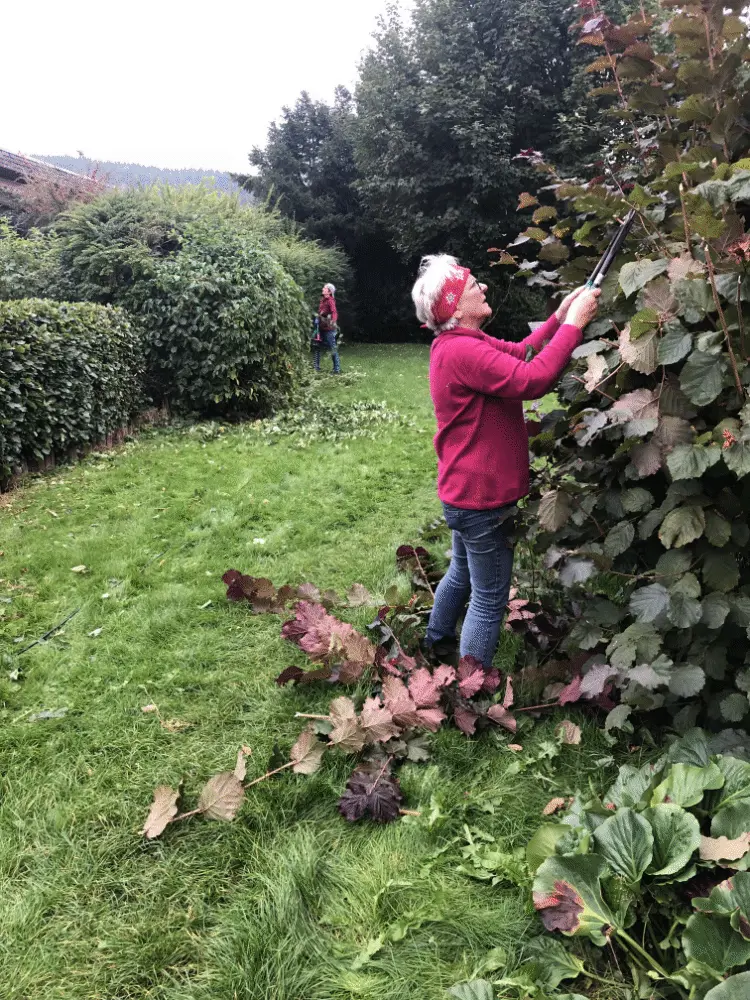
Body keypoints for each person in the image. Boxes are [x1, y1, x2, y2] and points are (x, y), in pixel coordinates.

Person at [412, 255, 600, 669]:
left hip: (464, 493)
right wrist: (575, 326)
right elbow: (533, 380)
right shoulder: (464, 351)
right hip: (483, 500)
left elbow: (521, 352)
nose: (483, 288)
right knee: (489, 597)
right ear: (455, 306)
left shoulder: (460, 344)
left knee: (461, 573)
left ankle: (436, 642)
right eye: (473, 285)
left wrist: (560, 316)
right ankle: (470, 684)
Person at [315, 283, 341, 374]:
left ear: (329, 292)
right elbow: (321, 312)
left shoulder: (330, 300)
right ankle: (316, 367)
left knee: (332, 348)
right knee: (317, 346)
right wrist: (317, 318)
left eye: (324, 288)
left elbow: (334, 312)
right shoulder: (322, 300)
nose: (323, 289)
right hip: (320, 327)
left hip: (329, 329)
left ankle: (336, 369)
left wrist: (333, 321)